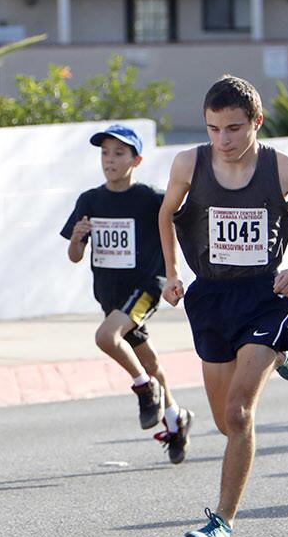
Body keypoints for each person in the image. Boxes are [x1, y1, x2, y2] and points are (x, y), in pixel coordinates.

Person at [158, 74, 288, 537]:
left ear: (256, 122)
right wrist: (170, 272)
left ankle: (222, 525)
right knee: (224, 423)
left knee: (240, 412)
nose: (223, 140)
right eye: (213, 129)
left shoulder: (285, 169)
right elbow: (166, 214)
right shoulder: (188, 162)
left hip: (266, 294)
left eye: (233, 128)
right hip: (211, 297)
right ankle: (283, 358)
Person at [60, 124, 194, 464]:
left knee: (106, 337)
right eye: (105, 153)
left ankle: (143, 389)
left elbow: (174, 232)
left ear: (137, 160)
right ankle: (177, 419)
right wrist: (77, 237)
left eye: (119, 153)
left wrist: (173, 275)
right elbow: (75, 256)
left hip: (146, 286)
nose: (110, 160)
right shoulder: (89, 200)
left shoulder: (150, 199)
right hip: (110, 295)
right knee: (150, 362)